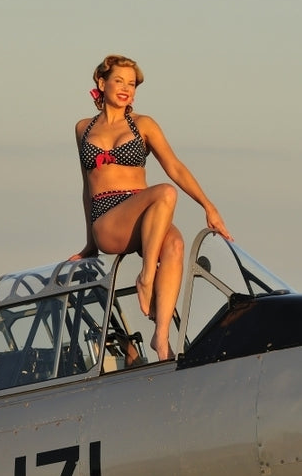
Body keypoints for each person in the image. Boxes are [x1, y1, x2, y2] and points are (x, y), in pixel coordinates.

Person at [70, 54, 231, 362]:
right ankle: (147, 277)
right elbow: (86, 186)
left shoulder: (144, 125)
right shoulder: (82, 129)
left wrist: (208, 206)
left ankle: (161, 338)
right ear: (101, 84)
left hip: (144, 213)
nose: (126, 89)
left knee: (175, 243)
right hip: (108, 219)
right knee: (166, 193)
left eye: (132, 84)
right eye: (119, 81)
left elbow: (175, 167)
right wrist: (90, 243)